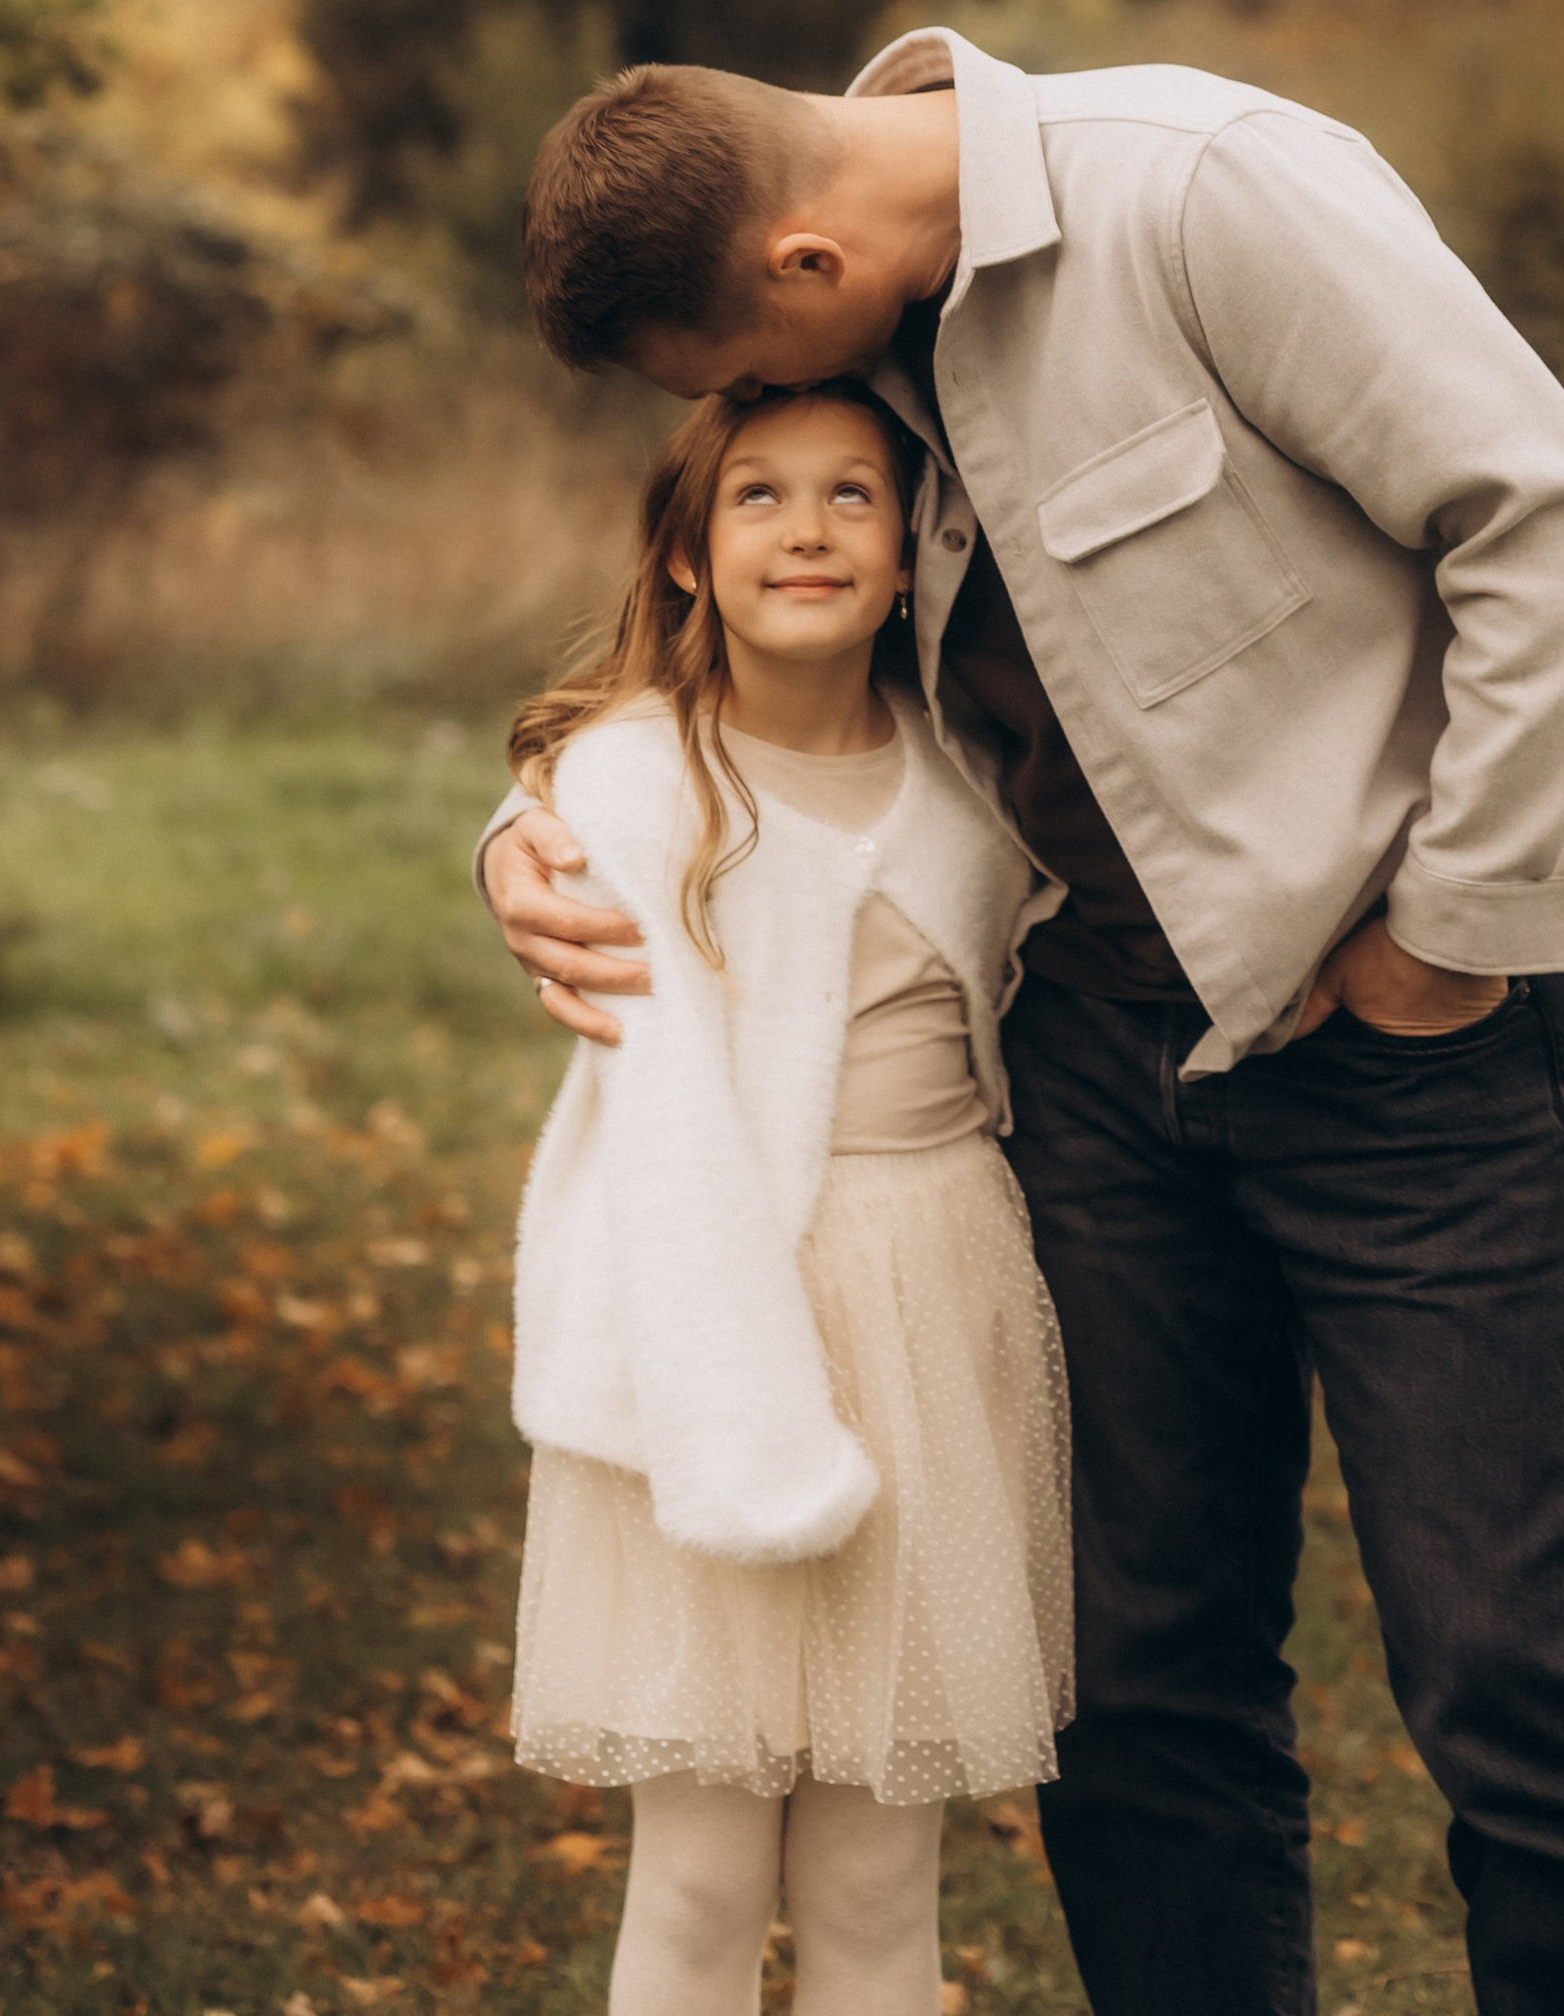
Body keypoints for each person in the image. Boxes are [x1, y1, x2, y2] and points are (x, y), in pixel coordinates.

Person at [484, 25, 1564, 2016]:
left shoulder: (1204, 190)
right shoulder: (861, 332)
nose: (751, 410)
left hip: (1415, 1056)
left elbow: (1553, 522)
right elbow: (767, 693)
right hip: (1080, 1065)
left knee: (1497, 1659)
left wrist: (1446, 940)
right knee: (1145, 1678)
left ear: (800, 263)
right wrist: (532, 833)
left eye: (729, 367)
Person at [491, 374, 1071, 2016]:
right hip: (706, 1324)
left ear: (913, 554)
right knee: (700, 1872)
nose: (807, 531)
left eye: (852, 497)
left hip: (932, 1303)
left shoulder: (976, 781)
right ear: (686, 552)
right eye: (758, 495)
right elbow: (663, 1120)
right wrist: (734, 1419)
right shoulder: (634, 783)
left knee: (884, 1875)